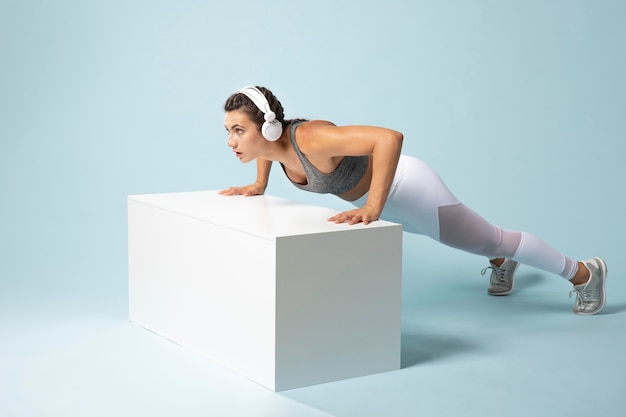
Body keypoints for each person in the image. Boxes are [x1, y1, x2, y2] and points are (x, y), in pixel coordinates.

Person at [219, 85, 608, 315]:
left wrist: (373, 205)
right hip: (386, 200)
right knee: (459, 238)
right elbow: (271, 154)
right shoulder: (274, 146)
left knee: (491, 237)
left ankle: (584, 273)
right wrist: (259, 184)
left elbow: (389, 138)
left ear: (267, 127)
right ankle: (503, 264)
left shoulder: (313, 139)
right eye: (228, 130)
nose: (231, 141)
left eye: (239, 130)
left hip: (409, 188)